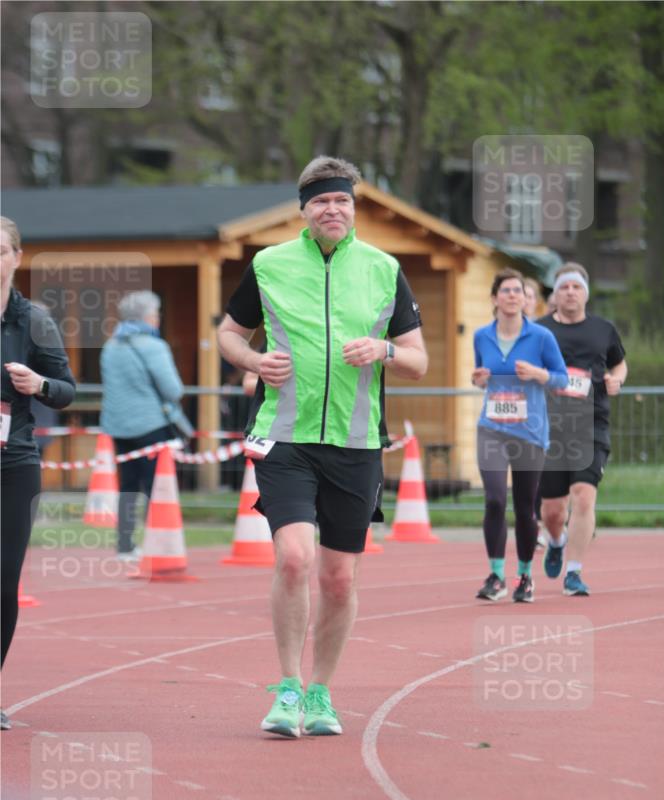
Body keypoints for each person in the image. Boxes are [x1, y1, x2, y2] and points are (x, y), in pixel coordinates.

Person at [217, 155, 428, 738]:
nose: (332, 210)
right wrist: (256, 360)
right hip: (285, 436)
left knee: (338, 579)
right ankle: (286, 687)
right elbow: (228, 333)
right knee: (294, 557)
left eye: (342, 201)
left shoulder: (384, 269)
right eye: (321, 202)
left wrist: (383, 351)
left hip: (358, 443)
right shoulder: (269, 265)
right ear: (304, 211)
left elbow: (417, 359)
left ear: (353, 209)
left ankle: (321, 693)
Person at [1, 216, 76, 729]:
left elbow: (68, 390)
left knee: (4, 583)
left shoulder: (35, 320)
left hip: (14, 463)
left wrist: (38, 385)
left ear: (16, 257)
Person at [472, 268, 567, 603]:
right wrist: (478, 379)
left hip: (529, 431)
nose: (512, 295)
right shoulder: (481, 336)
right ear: (495, 297)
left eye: (518, 291)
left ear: (526, 300)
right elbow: (480, 375)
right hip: (492, 429)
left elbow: (562, 379)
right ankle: (496, 575)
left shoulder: (541, 338)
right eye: (506, 290)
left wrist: (540, 373)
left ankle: (525, 576)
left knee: (525, 508)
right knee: (495, 499)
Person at [537, 263, 627, 595]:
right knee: (552, 511)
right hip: (549, 429)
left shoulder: (603, 330)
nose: (570, 292)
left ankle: (573, 572)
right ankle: (557, 541)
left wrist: (617, 379)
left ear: (585, 293)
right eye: (564, 287)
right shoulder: (538, 331)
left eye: (576, 287)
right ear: (555, 294)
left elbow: (619, 361)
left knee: (584, 497)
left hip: (591, 425)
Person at [100, 290, 184, 559]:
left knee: (127, 485)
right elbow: (173, 390)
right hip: (151, 425)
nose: (157, 318)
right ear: (147, 316)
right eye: (155, 313)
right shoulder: (154, 346)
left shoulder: (110, 346)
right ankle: (155, 542)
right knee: (157, 486)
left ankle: (125, 545)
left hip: (117, 425)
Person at [521, 277, 547, 547]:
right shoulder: (501, 332)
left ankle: (550, 520)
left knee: (546, 470)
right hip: (516, 411)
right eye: (520, 293)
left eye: (529, 295)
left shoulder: (544, 332)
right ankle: (531, 524)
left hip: (546, 409)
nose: (523, 299)